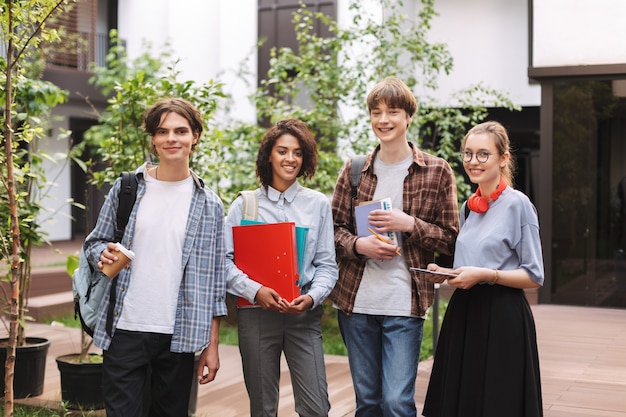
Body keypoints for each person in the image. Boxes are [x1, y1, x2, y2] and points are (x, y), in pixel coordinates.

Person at [84, 97, 226, 417]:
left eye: (180, 131)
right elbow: (94, 243)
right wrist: (102, 253)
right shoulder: (126, 189)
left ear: (195, 136)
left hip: (180, 333)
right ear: (153, 140)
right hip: (125, 327)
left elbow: (216, 282)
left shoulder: (210, 205)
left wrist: (212, 346)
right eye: (162, 132)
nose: (171, 139)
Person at [330, 76, 459, 417]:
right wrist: (360, 246)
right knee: (368, 404)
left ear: (408, 117)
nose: (383, 119)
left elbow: (450, 237)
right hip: (356, 304)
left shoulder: (437, 171)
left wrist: (409, 224)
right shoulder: (355, 170)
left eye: (393, 111)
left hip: (405, 302)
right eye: (376, 112)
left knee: (397, 403)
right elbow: (333, 230)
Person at [422, 120, 544, 417]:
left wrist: (488, 275)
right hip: (464, 313)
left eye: (482, 154)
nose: (473, 162)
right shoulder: (468, 207)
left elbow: (534, 276)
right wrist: (447, 272)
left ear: (503, 159)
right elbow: (469, 264)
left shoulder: (519, 205)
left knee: (497, 402)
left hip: (503, 317)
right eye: (467, 154)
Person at [225, 119, 339, 417]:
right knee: (263, 408)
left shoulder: (318, 205)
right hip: (257, 316)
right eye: (282, 151)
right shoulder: (244, 205)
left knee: (317, 408)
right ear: (269, 156)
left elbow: (327, 265)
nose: (290, 159)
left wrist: (312, 297)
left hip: (303, 315)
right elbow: (222, 263)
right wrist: (255, 290)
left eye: (298, 152)